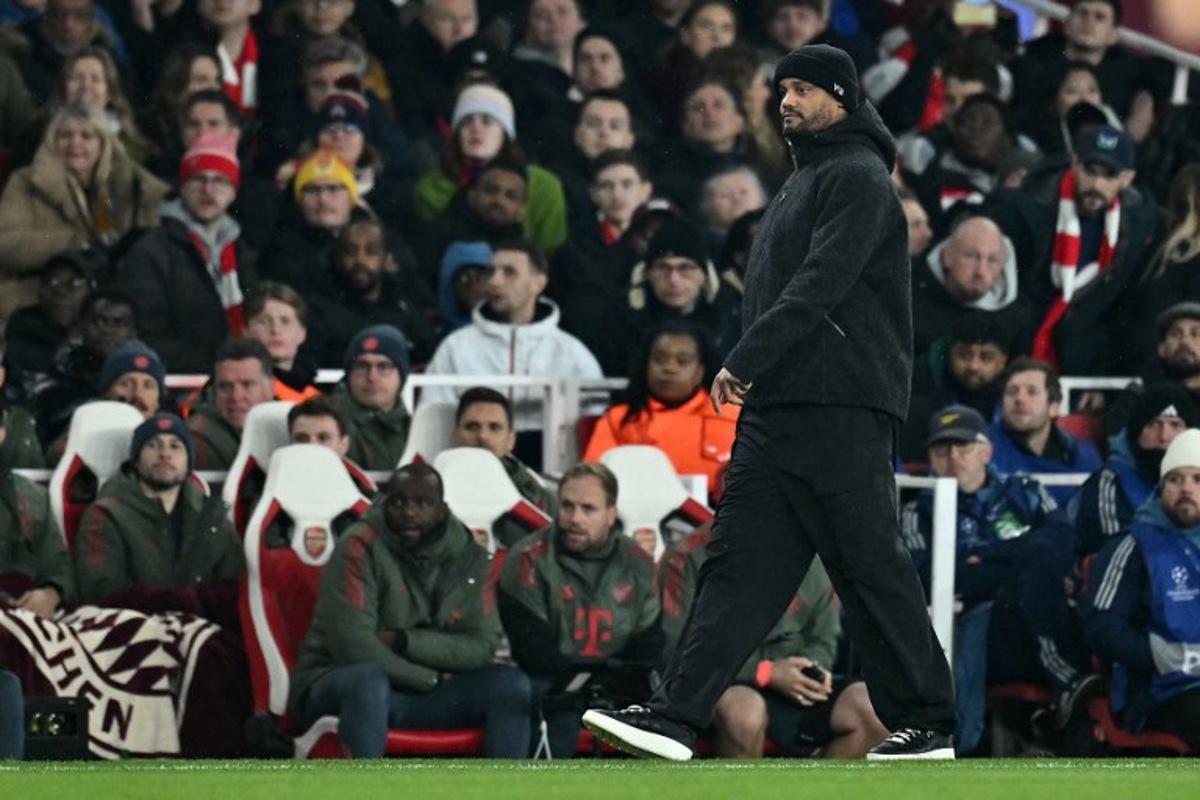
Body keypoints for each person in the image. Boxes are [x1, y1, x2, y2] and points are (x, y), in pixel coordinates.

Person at [582, 44, 957, 761]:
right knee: (737, 569)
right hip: (781, 409)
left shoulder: (858, 176)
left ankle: (928, 720)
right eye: (782, 89)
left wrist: (746, 357)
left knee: (868, 565)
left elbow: (822, 282)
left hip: (839, 404)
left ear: (842, 97)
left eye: (804, 90)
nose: (787, 101)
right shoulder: (808, 177)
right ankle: (675, 715)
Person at [289, 463, 532, 759]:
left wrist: (404, 641)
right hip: (341, 683)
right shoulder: (358, 546)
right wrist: (428, 678)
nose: (409, 512)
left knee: (511, 686)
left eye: (423, 503)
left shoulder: (471, 555)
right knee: (368, 681)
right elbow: (353, 647)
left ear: (442, 509)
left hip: (429, 690)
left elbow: (480, 647)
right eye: (398, 502)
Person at [900, 405, 1089, 753]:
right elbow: (924, 576)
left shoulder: (1025, 490)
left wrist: (984, 557)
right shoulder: (918, 510)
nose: (953, 457)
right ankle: (1067, 683)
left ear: (986, 451)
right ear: (930, 458)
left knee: (1042, 561)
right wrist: (1021, 564)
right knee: (1033, 567)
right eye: (941, 449)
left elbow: (1064, 541)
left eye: (963, 446)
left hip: (1034, 621)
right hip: (979, 627)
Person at [660, 530, 887, 758]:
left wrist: (808, 671)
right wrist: (764, 672)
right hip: (720, 683)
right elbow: (677, 649)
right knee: (745, 713)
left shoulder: (813, 557)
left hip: (792, 684)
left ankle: (814, 782)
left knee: (871, 708)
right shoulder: (689, 554)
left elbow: (824, 640)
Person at [499, 463, 662, 759]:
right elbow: (532, 651)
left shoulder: (638, 562)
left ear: (611, 514)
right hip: (550, 684)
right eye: (567, 506)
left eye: (588, 509)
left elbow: (648, 644)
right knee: (558, 709)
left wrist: (607, 683)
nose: (574, 518)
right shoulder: (528, 559)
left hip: (619, 685)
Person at [985, 125, 1159, 376]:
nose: (1097, 184)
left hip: (1080, 353)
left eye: (1109, 175)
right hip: (1014, 338)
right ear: (1075, 164)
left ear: (1127, 178)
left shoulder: (1138, 225)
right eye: (1090, 171)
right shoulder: (1028, 205)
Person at [1084, 429, 1200, 750]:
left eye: (1197, 479)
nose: (1187, 488)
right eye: (1176, 479)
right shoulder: (1132, 545)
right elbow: (1102, 626)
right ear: (1161, 487)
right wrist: (1160, 657)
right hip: (1159, 690)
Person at [0, 103, 168, 319]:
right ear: (52, 142)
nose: (75, 143)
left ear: (103, 144)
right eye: (65, 136)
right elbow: (6, 242)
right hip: (35, 301)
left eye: (86, 136)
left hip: (111, 304)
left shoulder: (130, 185)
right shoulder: (25, 182)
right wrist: (72, 242)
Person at [421, 240, 602, 438]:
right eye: (491, 272)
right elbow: (433, 427)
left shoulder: (573, 354)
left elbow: (593, 430)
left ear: (538, 283)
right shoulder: (455, 347)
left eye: (509, 272)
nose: (494, 281)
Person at [114, 131, 255, 373]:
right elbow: (149, 331)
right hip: (182, 377)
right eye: (198, 179)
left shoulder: (241, 250)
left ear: (233, 192)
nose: (208, 190)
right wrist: (216, 366)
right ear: (182, 186)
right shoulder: (151, 250)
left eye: (220, 180)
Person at [73, 413, 244, 608]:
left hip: (202, 621)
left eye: (175, 446)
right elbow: (102, 592)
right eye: (153, 445)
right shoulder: (107, 514)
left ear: (189, 461)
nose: (165, 454)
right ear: (136, 459)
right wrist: (184, 601)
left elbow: (235, 586)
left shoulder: (212, 517)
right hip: (132, 623)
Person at [585, 321, 738, 502]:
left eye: (682, 361)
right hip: (636, 508)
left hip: (720, 510)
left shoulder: (732, 414)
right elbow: (594, 480)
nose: (669, 368)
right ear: (646, 365)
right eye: (659, 359)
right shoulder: (618, 419)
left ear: (700, 371)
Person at [413, 82, 568, 257]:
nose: (475, 128)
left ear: (505, 133)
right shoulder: (431, 190)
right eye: (466, 121)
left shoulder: (544, 186)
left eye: (487, 121)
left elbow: (551, 252)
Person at [1072, 384, 1198, 561]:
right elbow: (1111, 550)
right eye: (1154, 424)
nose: (1164, 436)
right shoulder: (1110, 481)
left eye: (1175, 425)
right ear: (1136, 433)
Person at [304, 214, 436, 367]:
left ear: (388, 260)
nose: (360, 260)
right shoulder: (318, 309)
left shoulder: (405, 308)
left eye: (371, 251)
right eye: (350, 252)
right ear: (338, 260)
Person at [912, 215, 1035, 359]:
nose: (980, 271)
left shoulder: (1018, 315)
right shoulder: (909, 296)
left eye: (992, 260)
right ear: (946, 256)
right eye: (971, 256)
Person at [28, 288, 138, 446]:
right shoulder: (55, 381)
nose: (107, 330)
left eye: (118, 323)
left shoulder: (148, 379)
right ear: (81, 326)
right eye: (98, 321)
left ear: (133, 331)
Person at [988, 357, 1102, 503]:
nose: (1019, 399)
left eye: (1032, 392)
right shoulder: (981, 449)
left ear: (1054, 407)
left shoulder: (1086, 457)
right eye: (1012, 391)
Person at [901, 314, 1011, 464]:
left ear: (1003, 361)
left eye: (986, 357)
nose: (974, 366)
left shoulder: (1014, 407)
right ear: (950, 354)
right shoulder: (920, 408)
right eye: (964, 355)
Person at [453, 387, 553, 549]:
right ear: (456, 435)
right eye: (472, 427)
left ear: (510, 440)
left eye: (494, 427)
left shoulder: (539, 497)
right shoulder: (429, 489)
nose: (483, 436)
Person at [0, 401, 73, 617]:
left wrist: (50, 594)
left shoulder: (33, 496)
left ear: (2, 434)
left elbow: (58, 566)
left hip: (30, 617)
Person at [261, 149, 360, 297]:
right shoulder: (282, 252)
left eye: (333, 189)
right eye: (312, 190)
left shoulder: (374, 236)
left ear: (351, 197)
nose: (323, 199)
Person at [1105, 304, 1200, 439]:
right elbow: (1116, 441)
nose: (1184, 341)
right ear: (1161, 349)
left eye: (1196, 334)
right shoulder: (1136, 395)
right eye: (1175, 334)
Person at [330, 324, 411, 471]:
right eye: (362, 366)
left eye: (383, 367)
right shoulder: (328, 422)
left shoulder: (413, 428)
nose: (372, 377)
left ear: (401, 375)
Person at [187, 337, 275, 470]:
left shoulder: (293, 428)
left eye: (247, 384)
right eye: (225, 386)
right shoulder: (196, 441)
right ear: (214, 390)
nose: (236, 397)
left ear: (271, 387)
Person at [243, 282, 320, 403]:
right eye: (264, 321)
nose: (275, 330)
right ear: (246, 332)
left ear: (302, 333)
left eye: (285, 321)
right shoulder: (235, 392)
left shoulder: (316, 395)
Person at [286, 395, 375, 496]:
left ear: (343, 445)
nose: (312, 446)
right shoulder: (272, 492)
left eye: (323, 438)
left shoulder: (368, 500)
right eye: (302, 439)